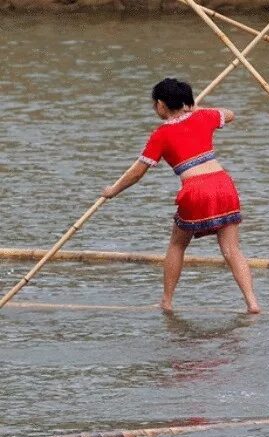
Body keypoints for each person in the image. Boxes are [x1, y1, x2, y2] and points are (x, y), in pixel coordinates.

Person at [101, 78, 260, 314]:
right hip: (223, 184)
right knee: (231, 248)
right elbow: (229, 114)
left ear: (161, 105)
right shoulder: (203, 117)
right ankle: (252, 303)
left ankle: (166, 301)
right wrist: (196, 108)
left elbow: (137, 173)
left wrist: (112, 191)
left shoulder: (161, 134)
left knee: (177, 244)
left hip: (196, 189)